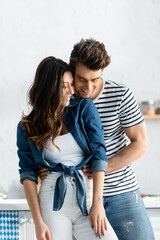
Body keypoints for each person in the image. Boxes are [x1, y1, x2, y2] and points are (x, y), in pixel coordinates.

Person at [39, 39, 155, 240]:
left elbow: (141, 144)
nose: (88, 87)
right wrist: (46, 168)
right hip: (78, 199)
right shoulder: (65, 99)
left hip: (122, 194)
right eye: (81, 79)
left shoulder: (120, 95)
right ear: (71, 71)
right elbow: (50, 141)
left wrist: (102, 167)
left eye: (95, 79)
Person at [17, 56, 118, 240]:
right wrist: (38, 221)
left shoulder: (84, 108)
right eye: (65, 85)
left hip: (86, 199)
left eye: (72, 84)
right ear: (49, 88)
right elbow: (28, 174)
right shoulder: (27, 126)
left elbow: (99, 153)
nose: (71, 90)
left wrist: (97, 203)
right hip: (51, 202)